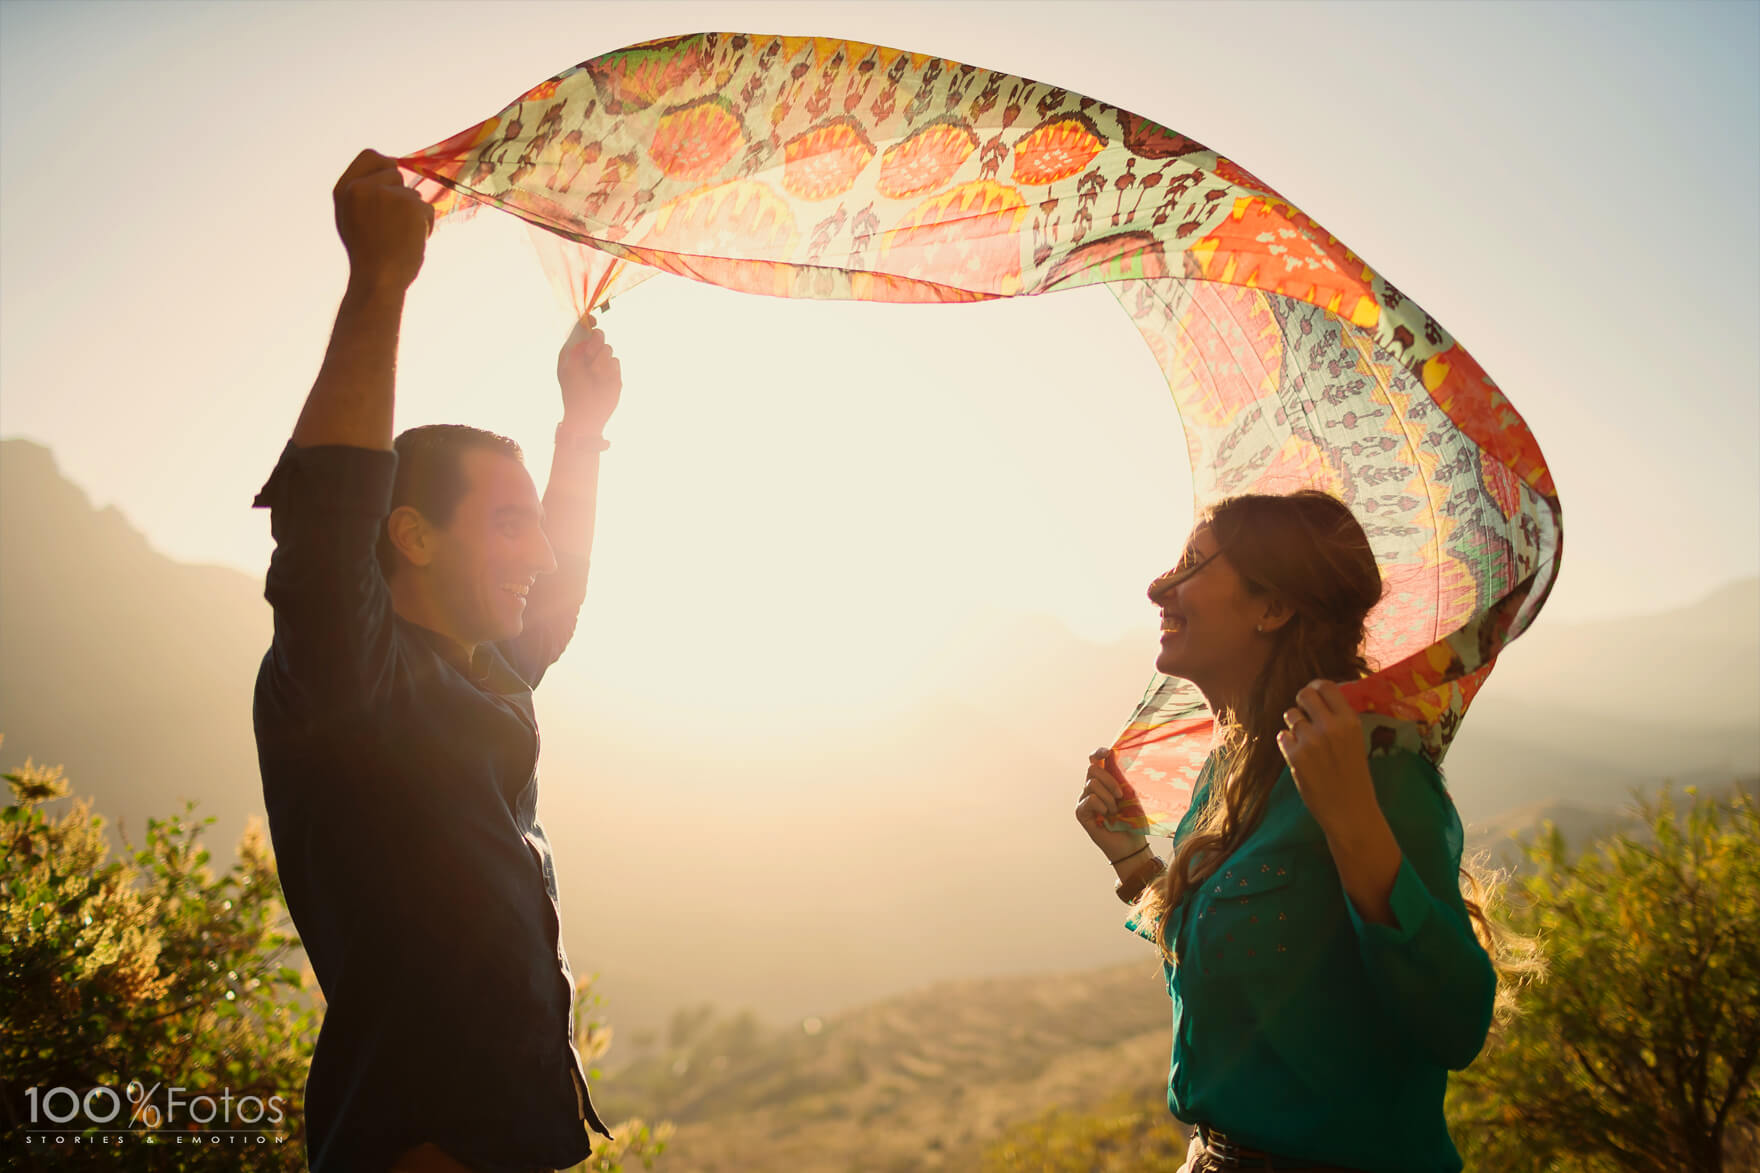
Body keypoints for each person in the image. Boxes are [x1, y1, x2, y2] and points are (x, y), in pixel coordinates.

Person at [251, 149, 623, 1173]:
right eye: (507, 526)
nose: (537, 553)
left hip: (520, 1140)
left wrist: (579, 434)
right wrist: (378, 285)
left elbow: (554, 600)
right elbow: (326, 528)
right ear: (409, 534)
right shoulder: (351, 682)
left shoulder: (482, 672)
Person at [1075, 491, 1498, 1173]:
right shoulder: (1227, 775)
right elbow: (1240, 973)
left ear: (1272, 607)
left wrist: (1353, 818)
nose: (1160, 586)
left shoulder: (1372, 766)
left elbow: (1456, 1022)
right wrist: (1130, 856)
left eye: (1191, 566)